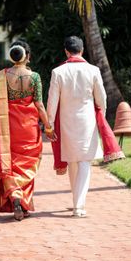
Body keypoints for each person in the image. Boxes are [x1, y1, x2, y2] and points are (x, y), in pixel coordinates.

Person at [47, 35, 124, 218]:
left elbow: (52, 102)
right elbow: (102, 98)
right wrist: (101, 116)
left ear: (66, 51)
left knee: (73, 160)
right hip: (87, 120)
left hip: (66, 122)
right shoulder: (93, 70)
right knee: (83, 162)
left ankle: (77, 202)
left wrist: (50, 124)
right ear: (82, 50)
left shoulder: (58, 72)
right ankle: (78, 206)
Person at [0, 39, 55, 221]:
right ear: (28, 56)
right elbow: (39, 105)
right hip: (29, 128)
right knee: (26, 166)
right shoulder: (34, 77)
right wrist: (48, 128)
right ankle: (22, 201)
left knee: (9, 164)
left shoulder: (0, 77)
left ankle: (15, 197)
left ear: (12, 55)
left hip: (8, 129)